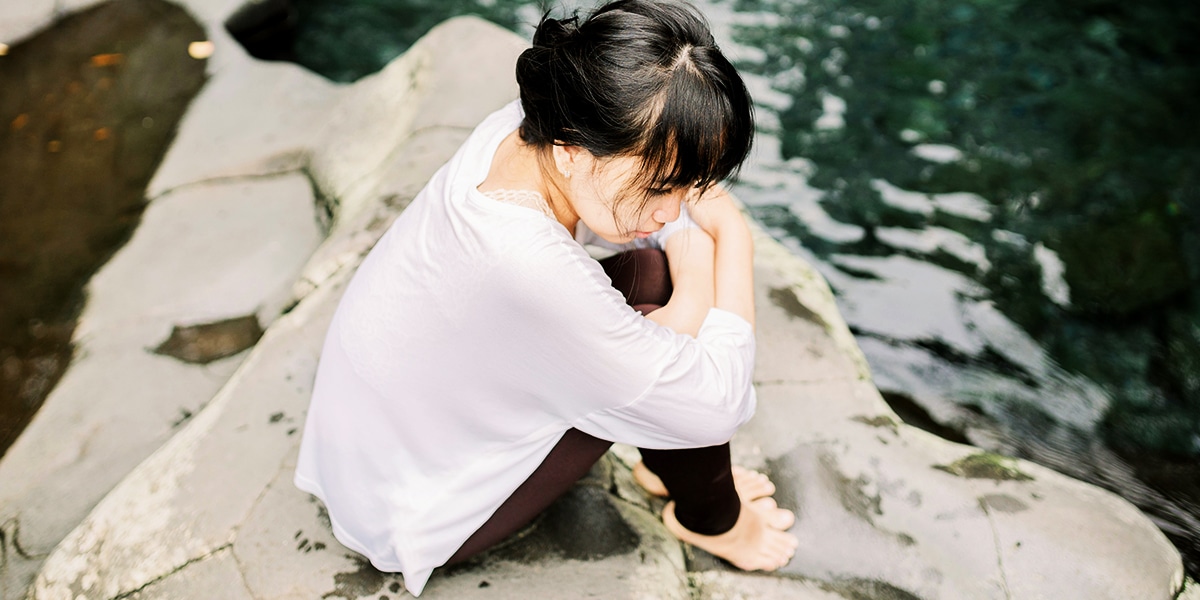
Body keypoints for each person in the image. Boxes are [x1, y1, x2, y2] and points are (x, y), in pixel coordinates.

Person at [294, 0, 799, 595]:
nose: (674, 208)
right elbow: (712, 404)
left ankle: (669, 468)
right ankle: (716, 523)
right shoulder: (526, 263)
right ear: (572, 148)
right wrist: (728, 242)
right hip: (413, 506)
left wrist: (684, 264)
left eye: (692, 184)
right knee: (672, 352)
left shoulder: (528, 127)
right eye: (662, 186)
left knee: (652, 276)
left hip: (391, 437)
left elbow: (660, 232)